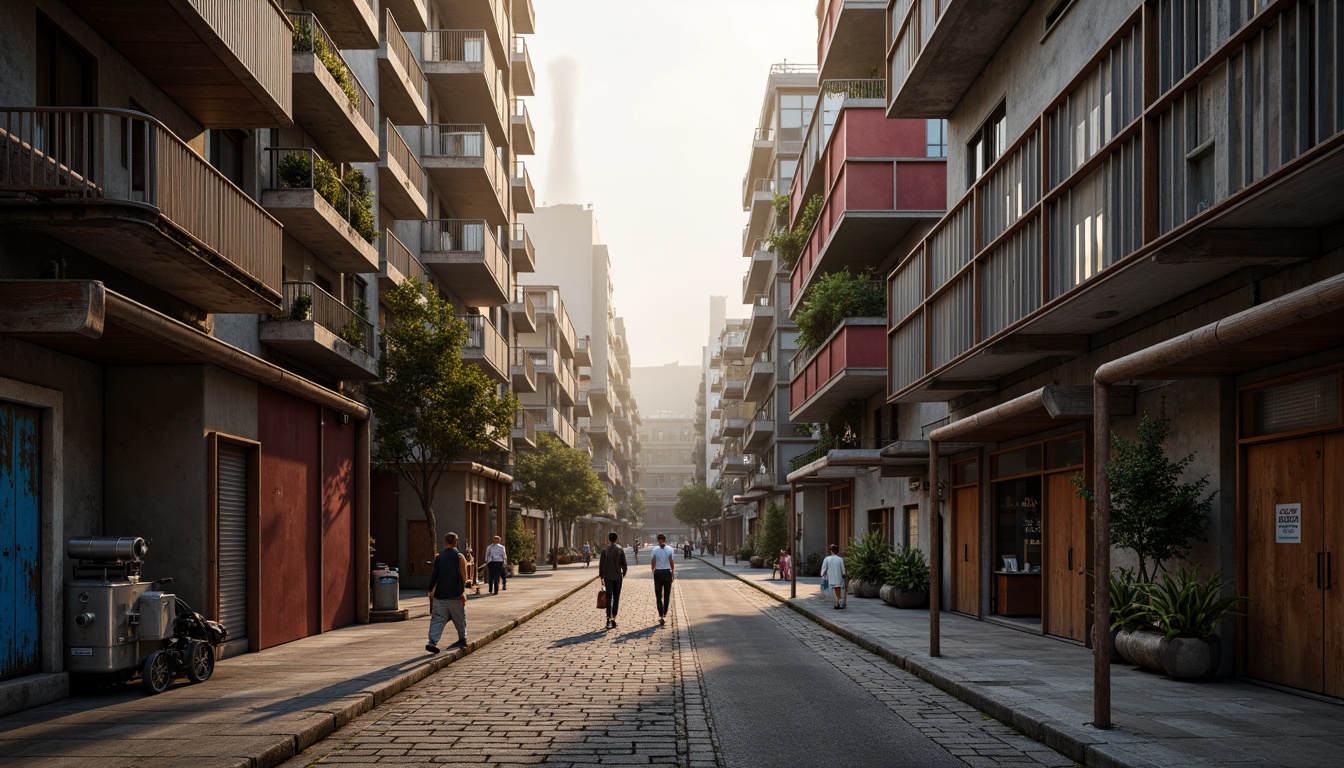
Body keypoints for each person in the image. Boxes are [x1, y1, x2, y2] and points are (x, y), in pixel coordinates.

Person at [426, 531, 470, 653]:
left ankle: (432, 641)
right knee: (459, 618)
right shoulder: (459, 557)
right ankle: (462, 638)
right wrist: (462, 591)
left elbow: (434, 574)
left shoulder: (439, 557)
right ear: (456, 542)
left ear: (445, 542)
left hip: (440, 594)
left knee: (438, 619)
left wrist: (430, 589)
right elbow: (463, 575)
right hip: (455, 594)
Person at [599, 532, 628, 629]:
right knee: (616, 597)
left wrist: (601, 577)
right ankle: (614, 617)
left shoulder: (605, 550)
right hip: (617, 577)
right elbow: (624, 564)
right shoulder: (620, 550)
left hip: (607, 576)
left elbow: (601, 565)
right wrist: (623, 573)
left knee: (608, 596)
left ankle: (608, 615)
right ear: (616, 539)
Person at [649, 533, 676, 626]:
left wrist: (653, 570)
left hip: (658, 573)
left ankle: (660, 614)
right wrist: (672, 572)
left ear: (658, 540)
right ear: (665, 539)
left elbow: (653, 561)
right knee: (667, 595)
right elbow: (671, 561)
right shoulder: (670, 549)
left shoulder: (655, 550)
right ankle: (665, 613)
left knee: (658, 595)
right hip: (667, 573)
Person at [820, 544, 847, 610]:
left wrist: (823, 574)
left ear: (831, 551)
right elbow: (843, 569)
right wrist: (844, 574)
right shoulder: (840, 559)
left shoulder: (827, 558)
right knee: (838, 589)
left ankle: (838, 602)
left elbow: (824, 568)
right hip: (839, 576)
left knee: (836, 589)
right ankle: (839, 602)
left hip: (831, 576)